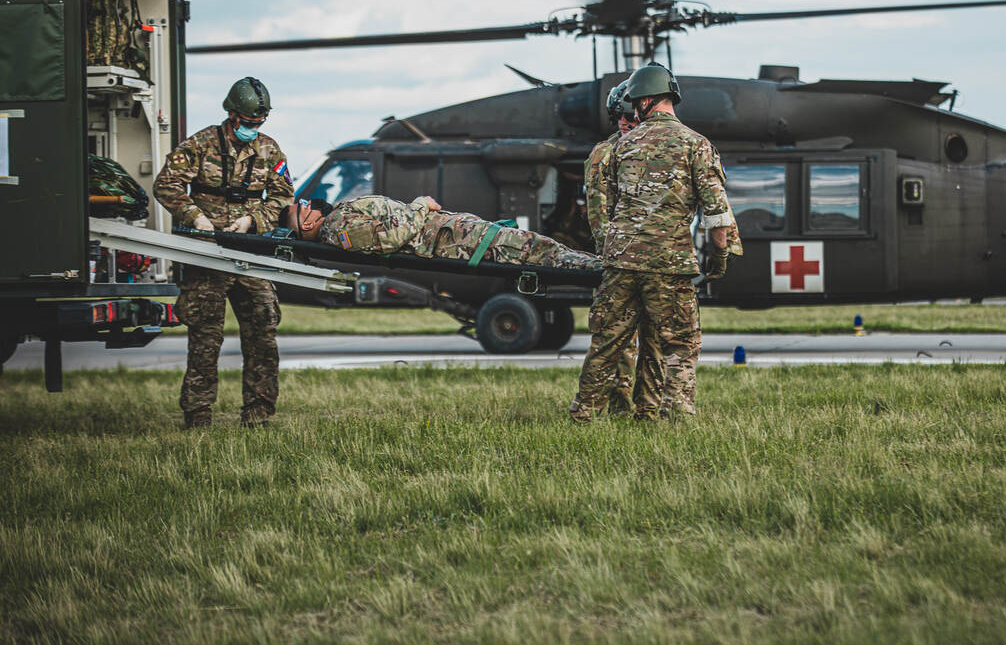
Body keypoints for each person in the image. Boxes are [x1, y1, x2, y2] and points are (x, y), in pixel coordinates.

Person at [570, 63, 740, 422]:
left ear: (646, 100)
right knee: (679, 344)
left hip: (620, 262)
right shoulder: (697, 145)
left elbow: (608, 207)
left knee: (606, 344)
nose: (631, 111)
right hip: (667, 263)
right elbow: (717, 214)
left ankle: (582, 417)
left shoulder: (620, 147)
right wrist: (719, 258)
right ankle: (672, 419)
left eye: (634, 103)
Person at [154, 77, 293, 429]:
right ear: (231, 114)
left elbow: (282, 197)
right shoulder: (201, 144)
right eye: (247, 122)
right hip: (208, 255)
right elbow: (166, 184)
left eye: (258, 123)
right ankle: (198, 416)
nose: (253, 128)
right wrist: (194, 216)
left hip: (250, 253)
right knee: (205, 338)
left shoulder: (269, 149)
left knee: (263, 332)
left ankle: (259, 414)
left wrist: (252, 219)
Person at [281, 195, 599, 270]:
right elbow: (392, 237)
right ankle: (600, 269)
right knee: (537, 250)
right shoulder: (337, 229)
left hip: (455, 232)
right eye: (300, 207)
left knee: (537, 247)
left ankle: (599, 265)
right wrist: (420, 204)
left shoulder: (341, 214)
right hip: (453, 239)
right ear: (306, 224)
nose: (305, 203)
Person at [584, 83, 656, 415]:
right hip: (619, 259)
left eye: (632, 116)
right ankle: (620, 406)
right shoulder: (605, 154)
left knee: (657, 337)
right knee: (618, 338)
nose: (626, 123)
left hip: (657, 258)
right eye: (620, 117)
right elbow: (599, 216)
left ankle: (650, 408)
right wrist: (613, 257)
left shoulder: (660, 149)